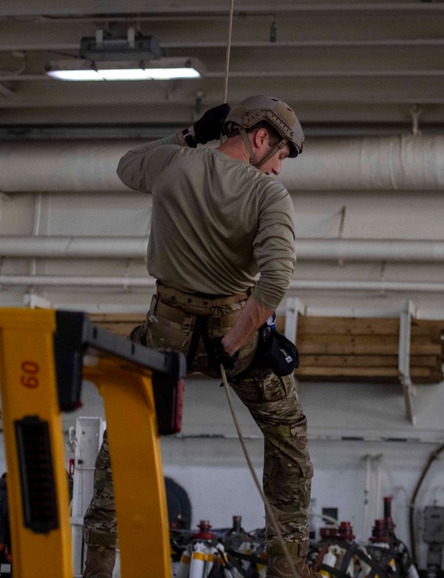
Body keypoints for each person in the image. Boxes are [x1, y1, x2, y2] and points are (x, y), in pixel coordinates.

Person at [82, 96, 313, 578]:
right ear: (262, 137)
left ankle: (99, 569)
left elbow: (127, 167)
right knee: (287, 436)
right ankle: (287, 570)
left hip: (164, 335)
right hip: (237, 340)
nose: (278, 171)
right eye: (282, 156)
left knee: (120, 445)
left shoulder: (173, 164)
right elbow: (275, 281)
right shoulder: (269, 197)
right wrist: (234, 343)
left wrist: (189, 134)